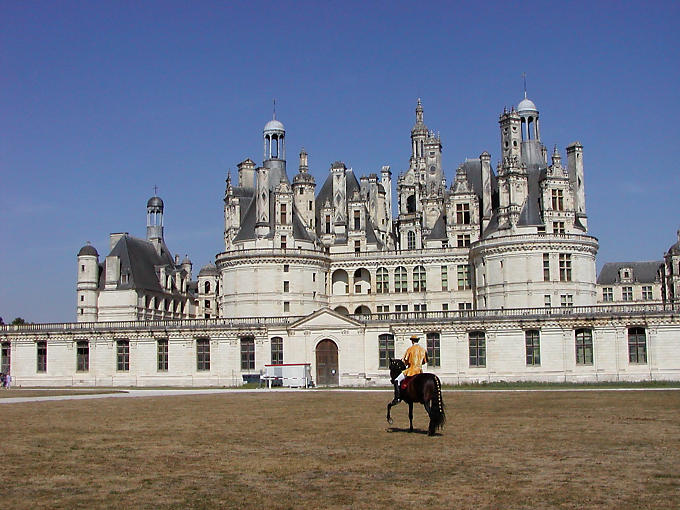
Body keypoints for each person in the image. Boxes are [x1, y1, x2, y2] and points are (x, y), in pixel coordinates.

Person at [391, 335, 428, 404]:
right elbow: (424, 362)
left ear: (412, 341)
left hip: (411, 370)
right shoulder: (423, 350)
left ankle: (397, 397)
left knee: (396, 380)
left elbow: (405, 361)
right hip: (419, 371)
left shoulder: (410, 349)